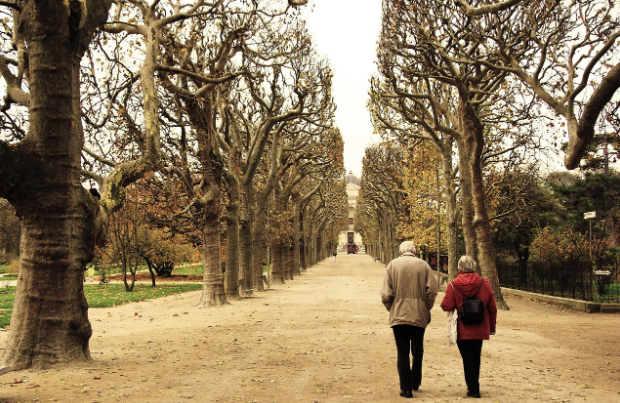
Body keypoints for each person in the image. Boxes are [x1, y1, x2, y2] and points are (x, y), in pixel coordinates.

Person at [380, 241, 438, 399]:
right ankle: (415, 381)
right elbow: (432, 290)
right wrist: (425, 306)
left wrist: (391, 307)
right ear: (415, 252)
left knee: (402, 352)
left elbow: (386, 293)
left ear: (400, 252)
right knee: (418, 349)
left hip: (399, 314)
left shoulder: (392, 265)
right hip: (419, 314)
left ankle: (405, 388)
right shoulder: (424, 266)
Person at [440, 256, 497, 399]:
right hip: (480, 326)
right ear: (474, 267)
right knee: (476, 356)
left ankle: (473, 388)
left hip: (462, 327)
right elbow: (492, 308)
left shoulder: (453, 285)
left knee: (467, 358)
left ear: (459, 268)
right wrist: (492, 327)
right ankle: (474, 386)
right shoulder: (484, 283)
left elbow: (446, 305)